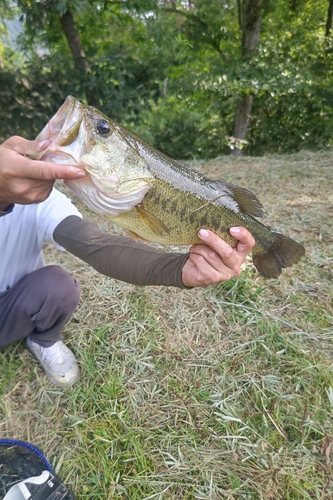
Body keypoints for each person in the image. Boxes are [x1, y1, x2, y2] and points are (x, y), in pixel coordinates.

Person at [0, 136, 255, 388]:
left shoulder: (40, 200)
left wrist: (180, 270)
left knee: (58, 286)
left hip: (11, 307)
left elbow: (96, 246)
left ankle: (44, 338)